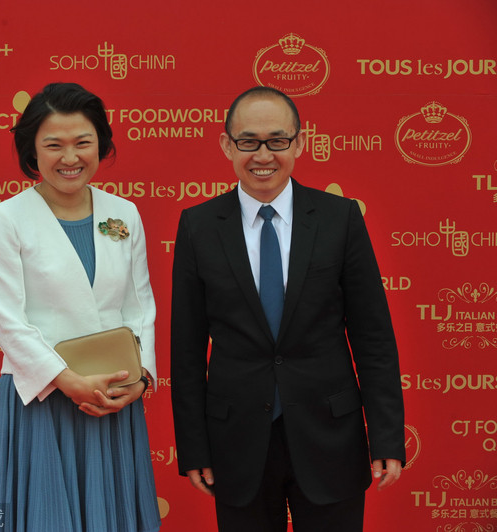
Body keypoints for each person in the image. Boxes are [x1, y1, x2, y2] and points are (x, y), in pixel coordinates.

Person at [170, 86, 405, 532]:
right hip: (236, 441)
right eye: (248, 141)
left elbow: (373, 338)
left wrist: (387, 436)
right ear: (227, 145)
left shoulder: (340, 218)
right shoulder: (198, 226)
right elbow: (186, 351)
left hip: (330, 435)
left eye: (277, 140)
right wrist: (194, 447)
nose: (263, 155)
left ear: (299, 143)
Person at [0, 82, 160, 532]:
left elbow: (139, 306)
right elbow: (8, 321)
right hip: (42, 400)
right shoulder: (8, 218)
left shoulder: (124, 214)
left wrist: (140, 380)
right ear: (32, 151)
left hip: (112, 397)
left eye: (83, 142)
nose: (70, 157)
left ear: (102, 144)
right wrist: (68, 381)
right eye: (54, 145)